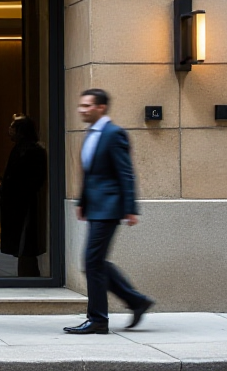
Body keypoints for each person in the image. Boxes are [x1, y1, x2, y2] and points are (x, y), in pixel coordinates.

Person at [65, 88, 154, 334]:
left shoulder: (114, 134)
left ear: (101, 107)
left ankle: (98, 320)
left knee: (91, 262)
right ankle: (136, 301)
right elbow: (91, 173)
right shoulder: (91, 134)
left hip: (110, 208)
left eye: (87, 106)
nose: (82, 110)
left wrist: (130, 208)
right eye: (81, 105)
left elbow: (125, 173)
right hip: (96, 207)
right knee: (96, 262)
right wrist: (82, 202)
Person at [0, 115, 47, 277]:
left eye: (13, 128)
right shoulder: (20, 149)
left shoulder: (32, 151)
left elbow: (34, 179)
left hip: (23, 203)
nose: (9, 131)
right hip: (16, 202)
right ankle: (27, 273)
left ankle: (29, 274)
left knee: (25, 242)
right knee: (22, 242)